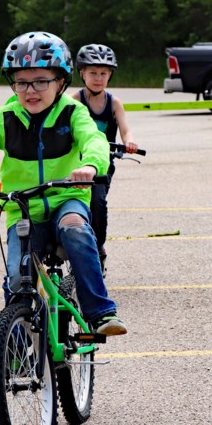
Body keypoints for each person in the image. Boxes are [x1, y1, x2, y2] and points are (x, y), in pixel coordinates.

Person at [0, 32, 127, 336]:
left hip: (66, 198)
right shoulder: (6, 117)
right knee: (16, 277)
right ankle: (16, 342)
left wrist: (90, 166)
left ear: (61, 81)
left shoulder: (73, 112)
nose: (30, 90)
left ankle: (100, 312)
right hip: (23, 208)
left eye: (40, 81)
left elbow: (95, 140)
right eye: (21, 82)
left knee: (76, 227)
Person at [70, 43, 138, 271]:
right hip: (75, 162)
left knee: (97, 202)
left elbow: (126, 129)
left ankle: (98, 248)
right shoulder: (74, 100)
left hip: (101, 165)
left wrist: (128, 141)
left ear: (110, 75)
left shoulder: (114, 103)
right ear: (82, 73)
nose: (98, 78)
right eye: (92, 73)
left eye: (103, 73)